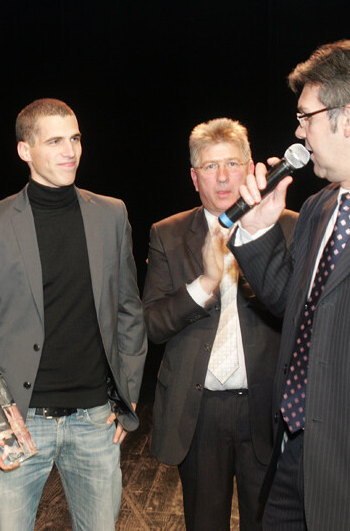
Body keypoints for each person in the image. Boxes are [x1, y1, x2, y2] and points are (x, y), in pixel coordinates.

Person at [0, 98, 147, 531]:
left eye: (75, 138)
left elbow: (128, 310)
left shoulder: (111, 213)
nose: (70, 151)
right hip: (17, 423)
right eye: (55, 141)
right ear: (24, 150)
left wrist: (129, 395)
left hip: (95, 420)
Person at [142, 118, 297, 530]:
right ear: (195, 178)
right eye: (211, 166)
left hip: (267, 408)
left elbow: (299, 317)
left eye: (233, 164)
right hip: (199, 414)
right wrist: (206, 283)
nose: (224, 177)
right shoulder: (168, 233)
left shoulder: (289, 225)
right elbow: (152, 325)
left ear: (250, 168)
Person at [230, 40, 350, 530]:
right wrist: (259, 230)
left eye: (306, 117)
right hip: (292, 451)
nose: (299, 132)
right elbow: (289, 305)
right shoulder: (320, 207)